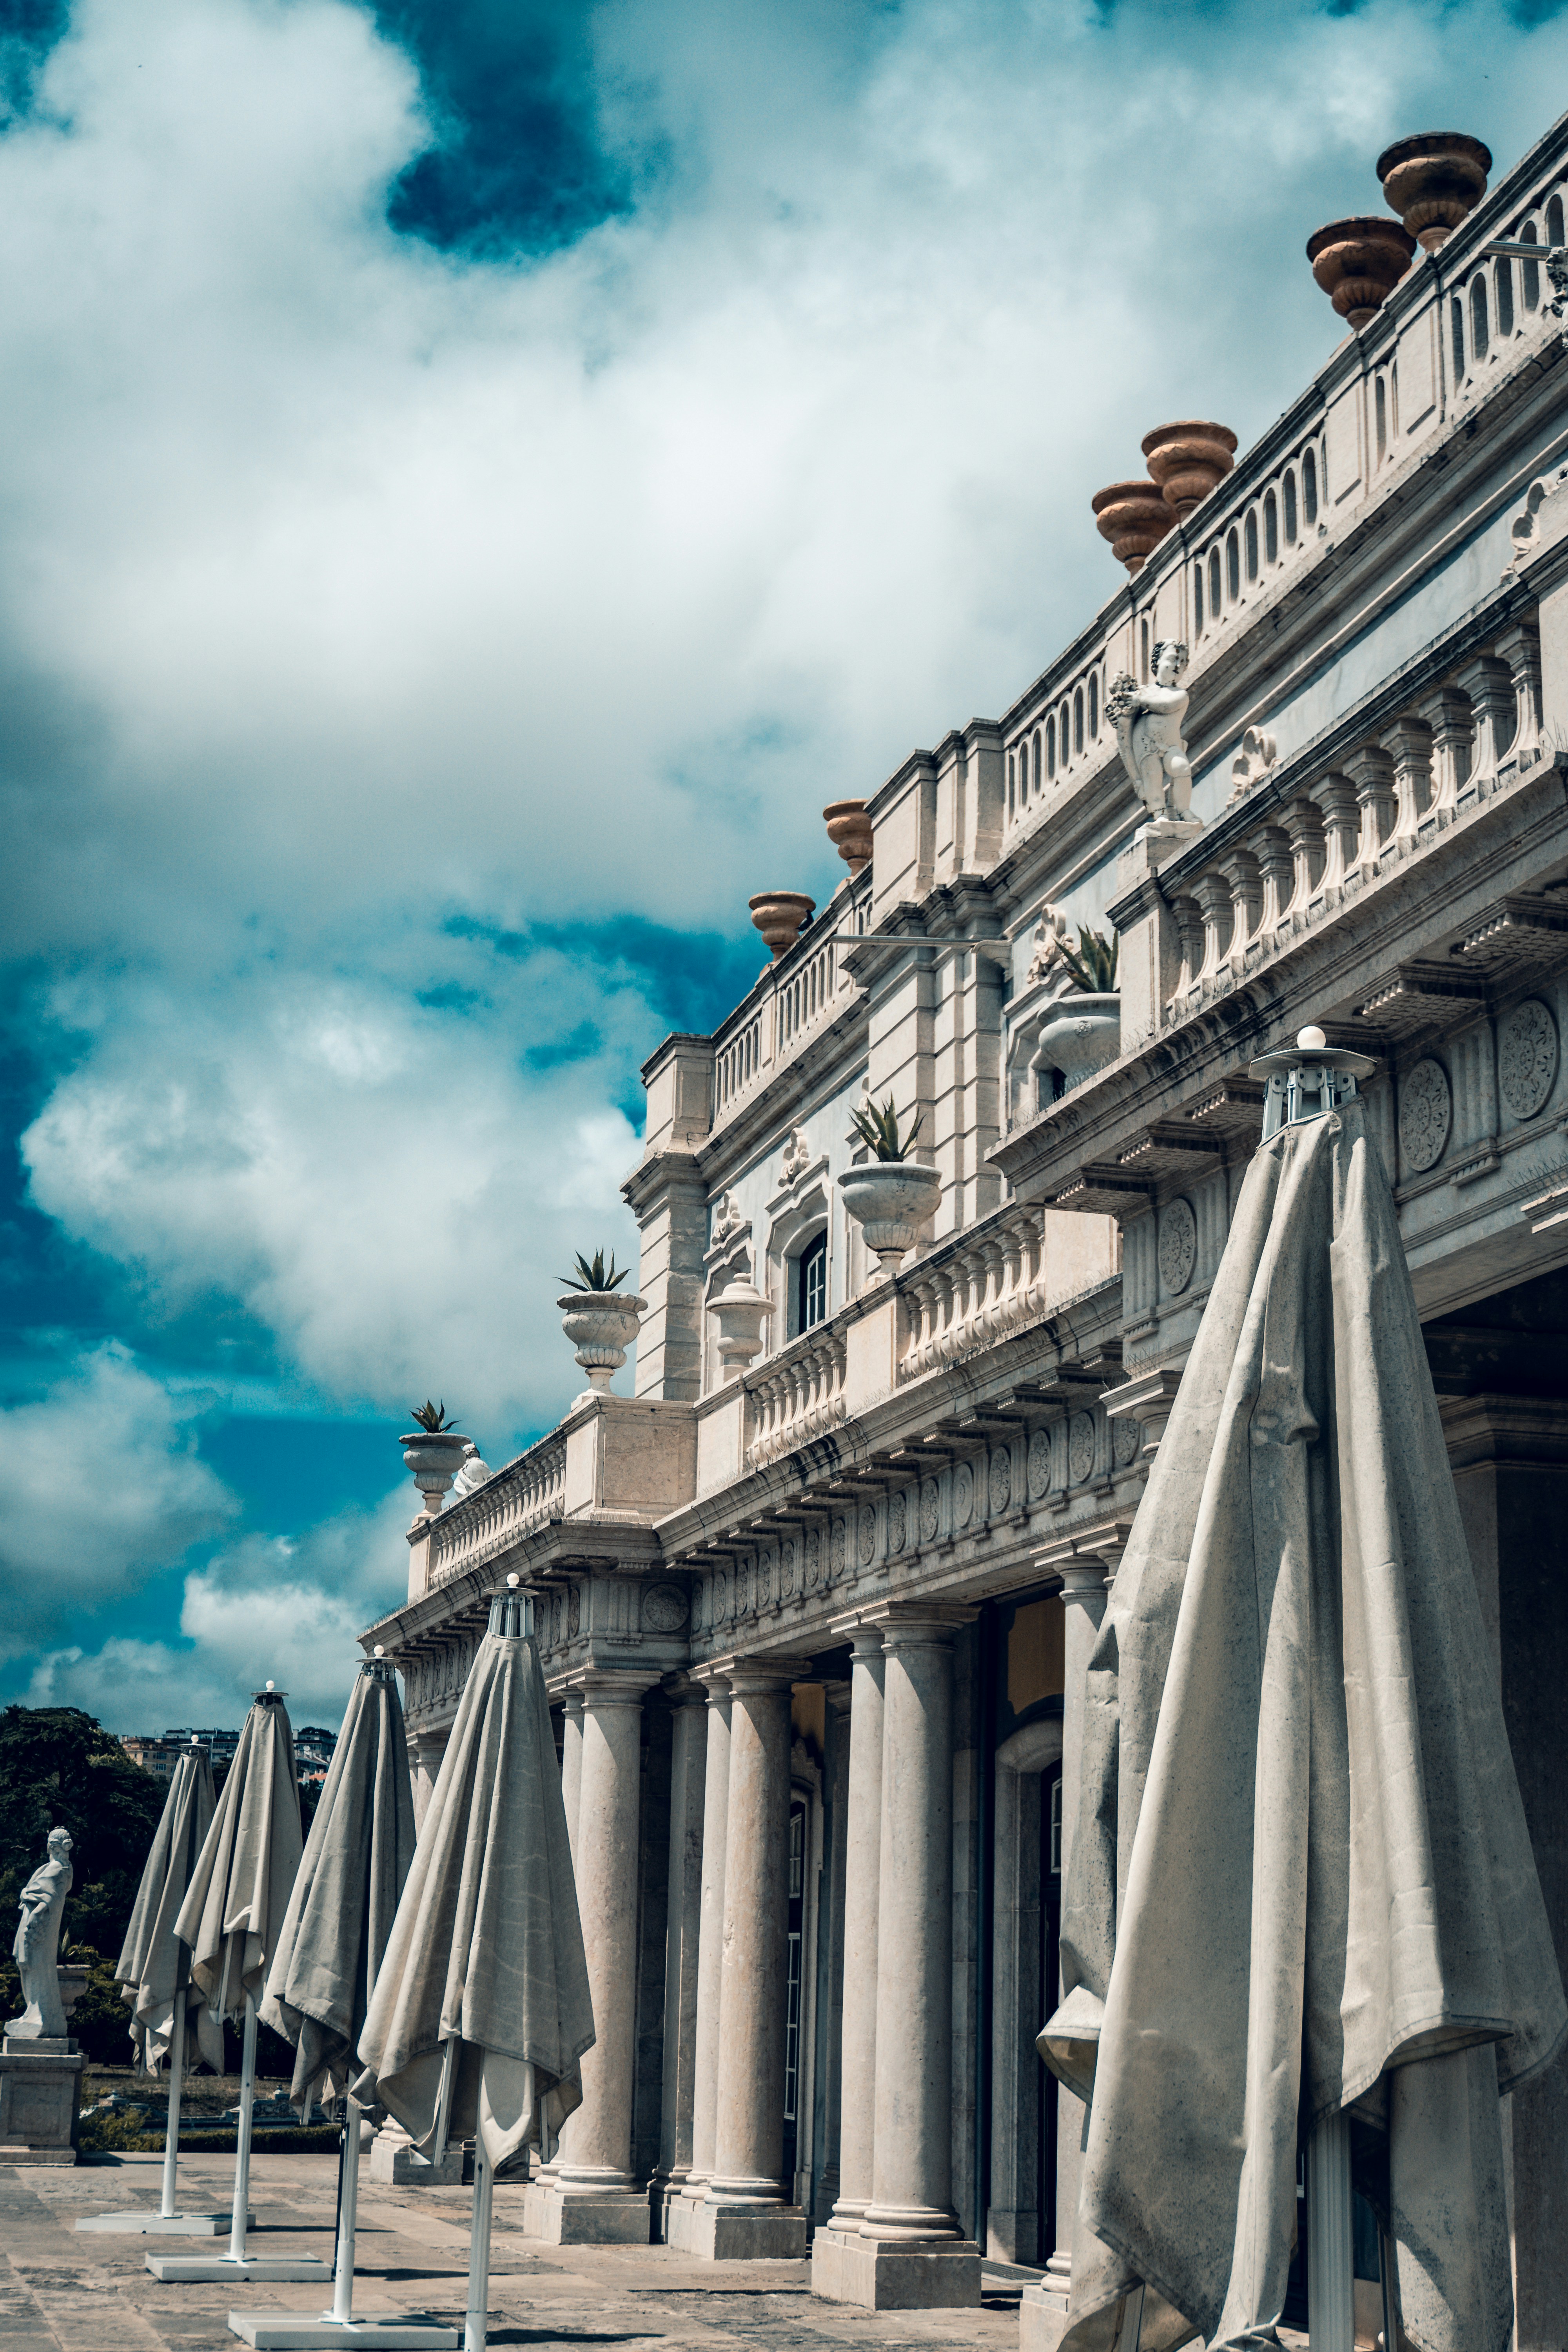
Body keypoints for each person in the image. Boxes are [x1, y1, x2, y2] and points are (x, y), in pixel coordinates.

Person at [1108, 640, 1198, 821]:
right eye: (1173, 659)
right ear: (1157, 662)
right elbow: (1126, 716)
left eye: (1183, 661)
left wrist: (1139, 701)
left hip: (1170, 745)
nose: (1178, 665)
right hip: (1145, 746)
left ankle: (1183, 810)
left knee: (1181, 768)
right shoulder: (1142, 692)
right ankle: (1159, 814)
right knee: (1152, 778)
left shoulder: (1179, 694)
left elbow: (1165, 707)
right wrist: (1115, 713)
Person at [11, 1826, 73, 2039]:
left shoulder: (56, 1869)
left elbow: (50, 1898)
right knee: (34, 1969)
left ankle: (38, 2014)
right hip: (39, 1925)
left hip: (37, 1926)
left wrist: (34, 1918)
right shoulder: (61, 1867)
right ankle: (35, 2012)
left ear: (53, 1846)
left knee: (34, 1968)